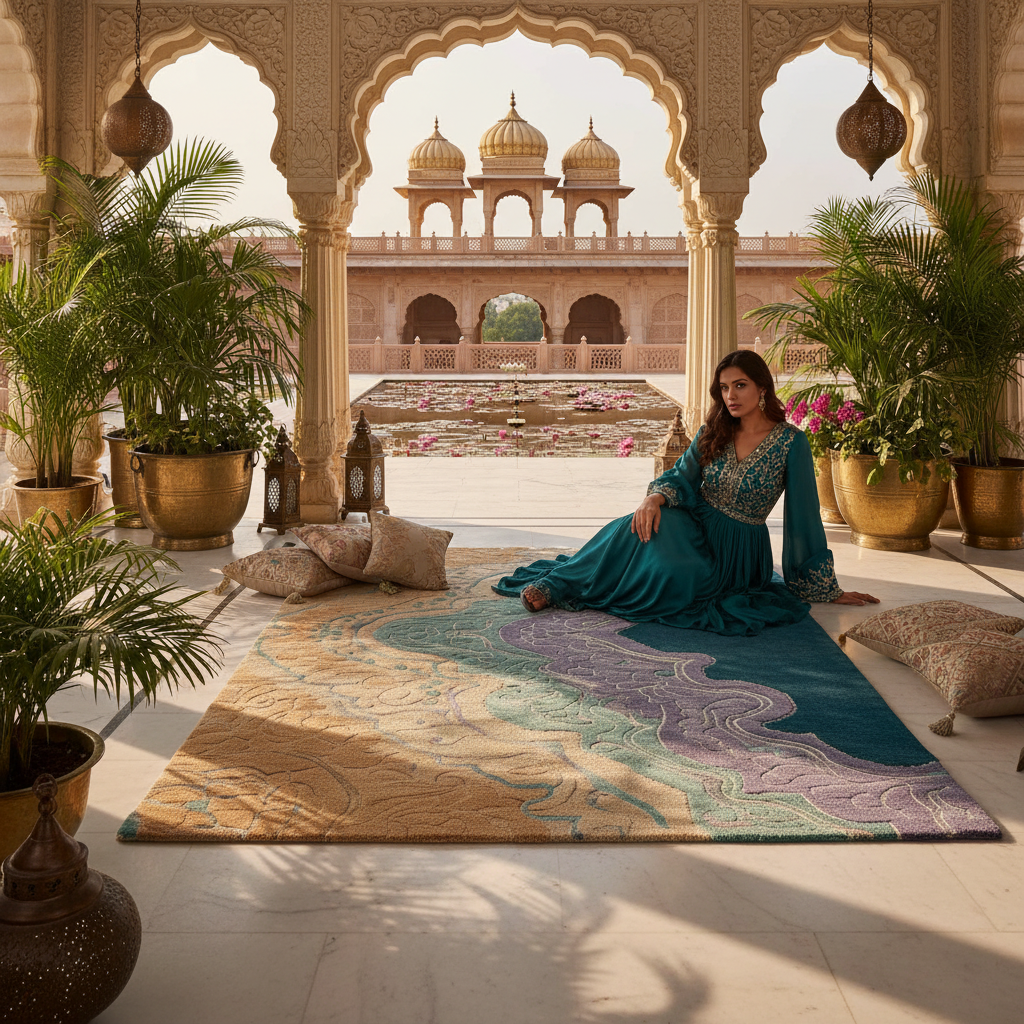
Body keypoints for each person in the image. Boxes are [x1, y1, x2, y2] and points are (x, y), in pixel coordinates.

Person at [492, 350, 878, 636]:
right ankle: (557, 583)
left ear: (762, 387)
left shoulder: (791, 443)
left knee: (678, 577)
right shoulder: (716, 430)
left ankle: (584, 581)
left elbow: (805, 519)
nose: (731, 395)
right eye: (724, 387)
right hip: (694, 522)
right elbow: (682, 474)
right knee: (636, 527)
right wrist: (654, 497)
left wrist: (822, 585)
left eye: (740, 385)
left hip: (738, 550)